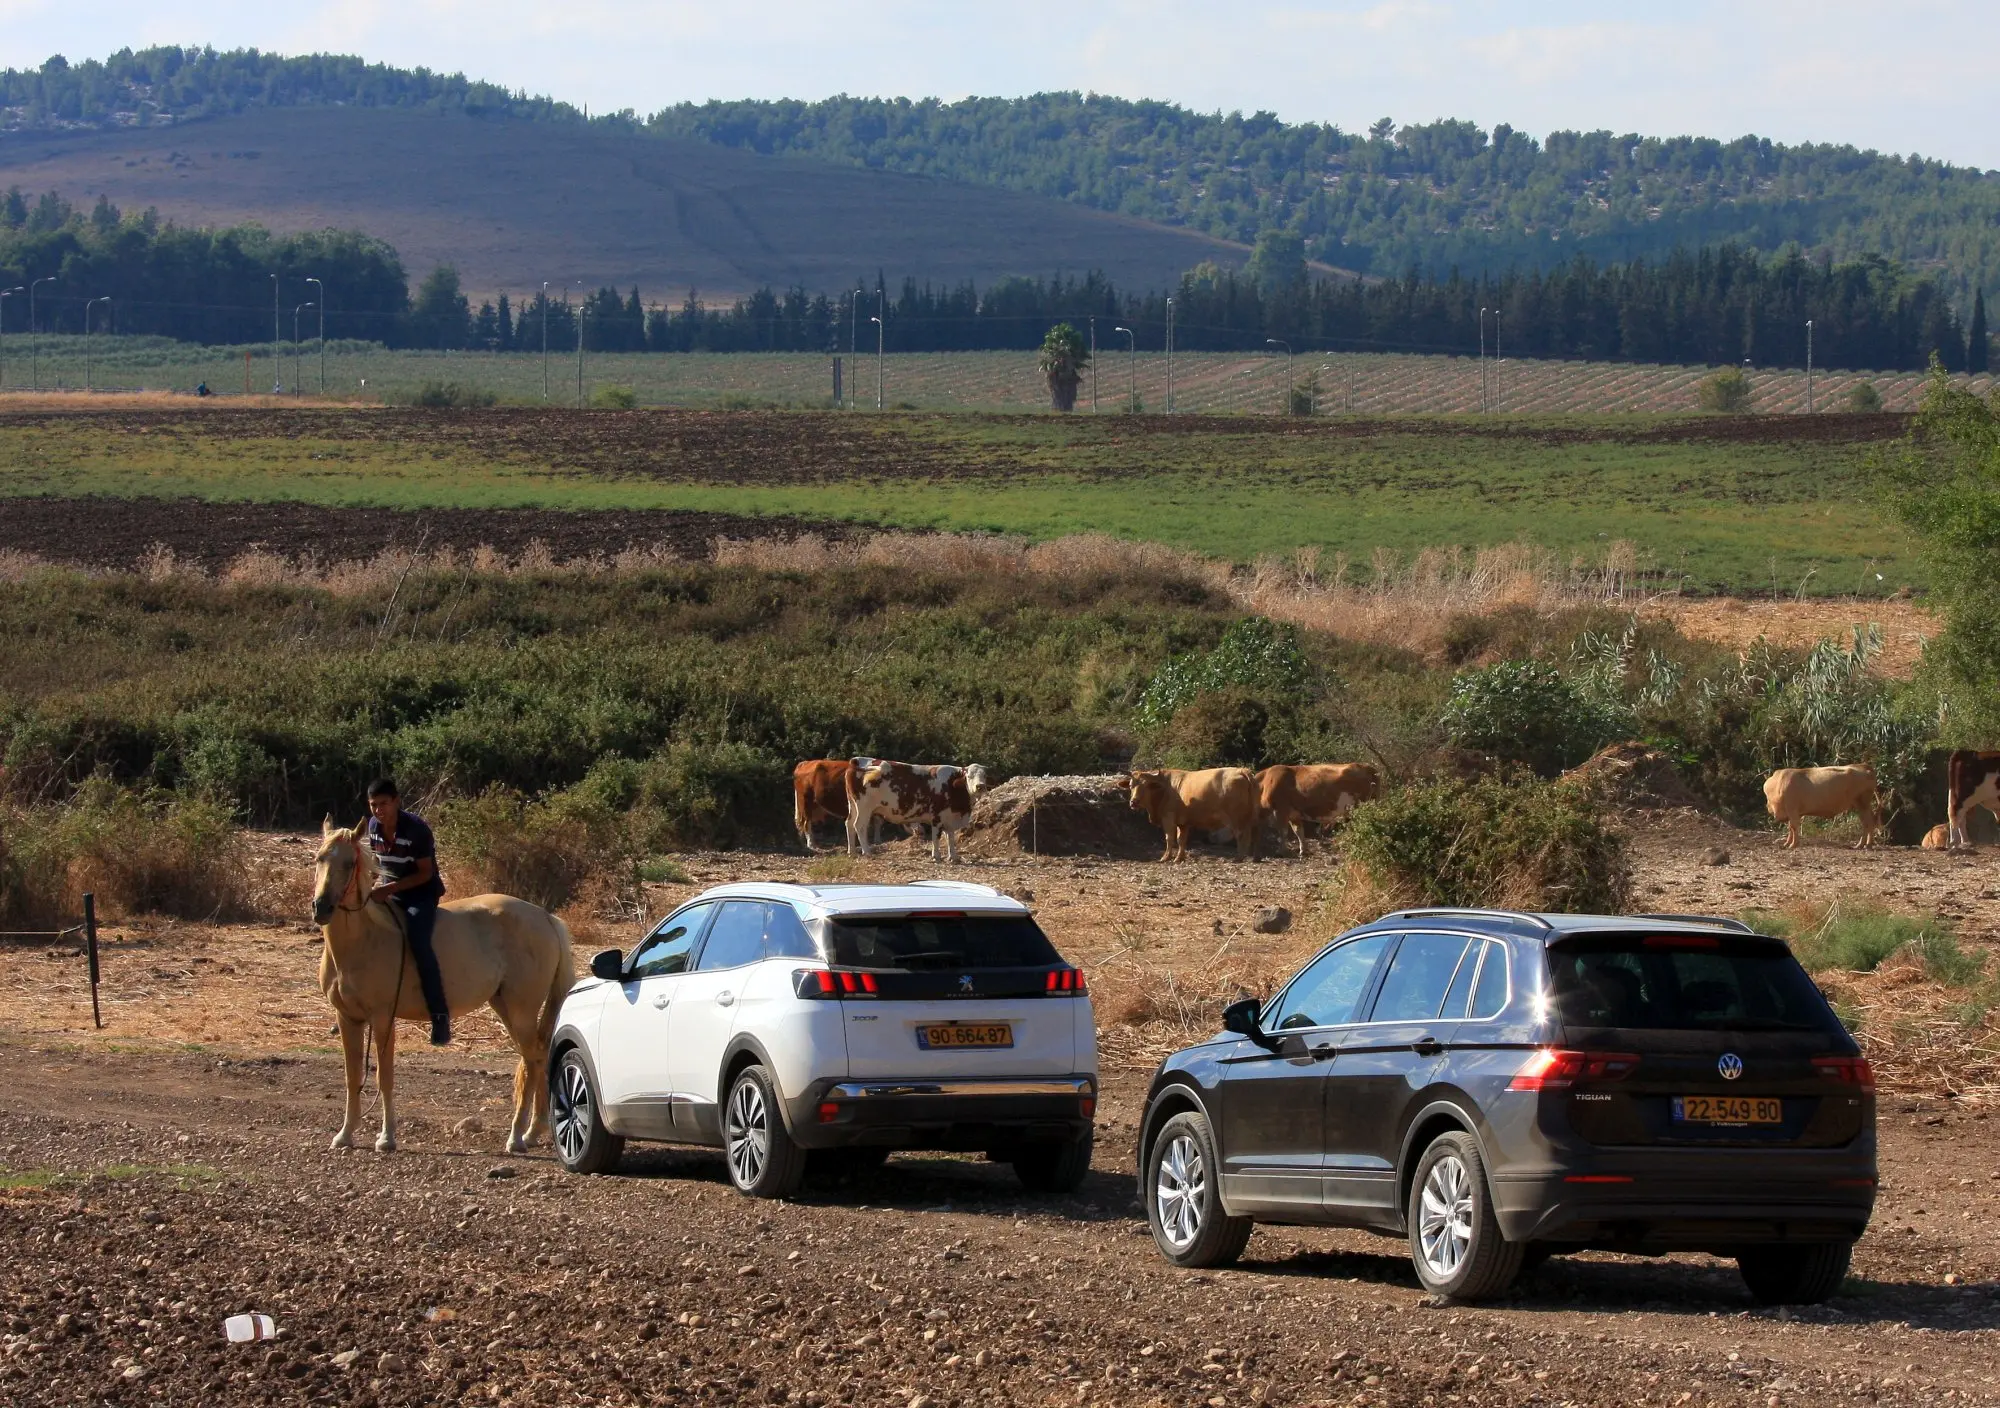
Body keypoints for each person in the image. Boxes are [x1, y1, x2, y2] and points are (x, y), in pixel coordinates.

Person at [363, 778, 451, 1045]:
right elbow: (379, 863)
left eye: (384, 804)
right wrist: (372, 886)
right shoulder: (373, 826)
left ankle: (439, 1016)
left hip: (420, 893)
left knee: (418, 941)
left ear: (397, 801)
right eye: (373, 805)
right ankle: (357, 1004)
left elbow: (425, 874)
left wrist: (389, 889)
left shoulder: (416, 830)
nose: (379, 810)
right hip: (390, 890)